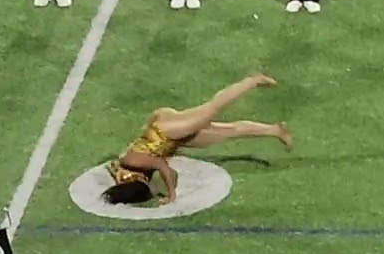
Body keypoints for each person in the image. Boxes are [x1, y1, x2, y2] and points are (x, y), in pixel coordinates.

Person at [102, 74, 290, 206]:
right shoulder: (128, 176)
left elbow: (162, 166)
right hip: (170, 140)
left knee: (212, 109)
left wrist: (171, 195)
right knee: (228, 131)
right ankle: (275, 130)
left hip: (164, 130)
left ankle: (253, 81)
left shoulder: (131, 162)